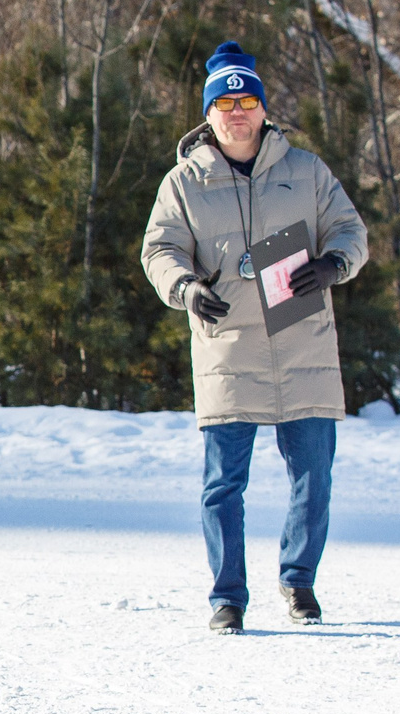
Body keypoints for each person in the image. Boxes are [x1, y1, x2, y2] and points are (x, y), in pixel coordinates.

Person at [141, 41, 370, 634]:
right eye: (225, 102)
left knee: (313, 477)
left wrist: (333, 264)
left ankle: (299, 584)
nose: (236, 112)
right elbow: (160, 249)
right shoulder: (184, 182)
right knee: (223, 484)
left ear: (264, 110)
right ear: (208, 115)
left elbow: (350, 230)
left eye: (247, 101)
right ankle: (228, 598)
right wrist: (186, 287)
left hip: (303, 341)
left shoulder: (306, 171)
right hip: (227, 346)